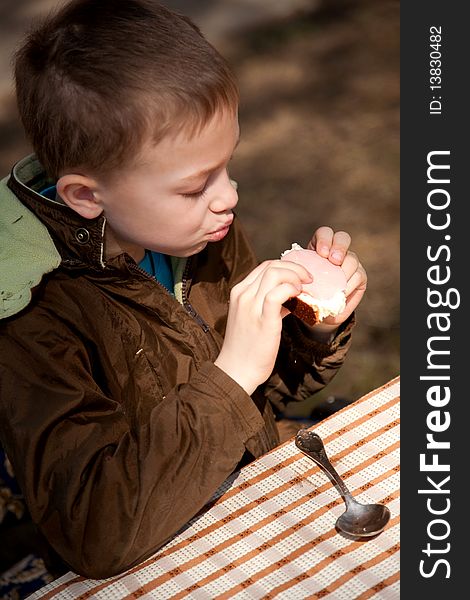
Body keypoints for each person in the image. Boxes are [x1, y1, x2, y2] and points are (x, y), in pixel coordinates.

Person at [0, 0, 367, 581]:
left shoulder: (194, 232)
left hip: (242, 515)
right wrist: (232, 374)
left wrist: (312, 326)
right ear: (87, 197)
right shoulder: (33, 311)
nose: (228, 196)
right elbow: (96, 532)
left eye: (226, 166)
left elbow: (265, 399)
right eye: (196, 186)